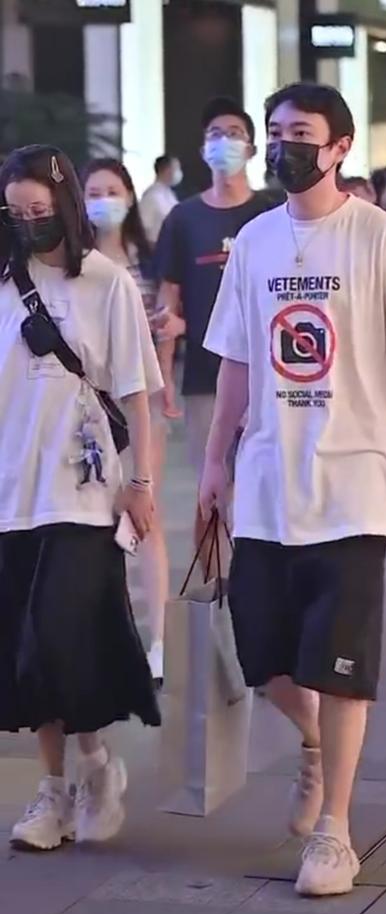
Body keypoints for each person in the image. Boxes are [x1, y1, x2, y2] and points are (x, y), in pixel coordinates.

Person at [199, 82, 386, 897]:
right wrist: (214, 463)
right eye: (275, 132)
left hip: (354, 485)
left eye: (301, 133)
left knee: (344, 667)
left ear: (340, 146)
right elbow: (237, 360)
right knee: (264, 659)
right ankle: (314, 744)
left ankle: (335, 831)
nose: (284, 145)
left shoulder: (381, 239)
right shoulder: (254, 241)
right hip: (267, 485)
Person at [0, 144, 161, 852]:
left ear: (62, 205)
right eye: (13, 212)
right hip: (12, 493)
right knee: (27, 650)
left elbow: (137, 395)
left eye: (37, 210)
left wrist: (142, 483)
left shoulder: (107, 283)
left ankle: (87, 767)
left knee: (59, 635)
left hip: (84, 493)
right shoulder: (3, 283)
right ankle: (61, 785)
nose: (26, 223)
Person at [155, 97, 274, 564]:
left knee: (263, 490)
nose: (224, 142)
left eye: (234, 134)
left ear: (252, 148)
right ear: (203, 149)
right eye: (214, 135)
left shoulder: (271, 211)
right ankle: (214, 591)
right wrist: (165, 375)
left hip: (270, 376)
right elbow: (168, 299)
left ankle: (259, 587)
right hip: (206, 376)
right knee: (212, 489)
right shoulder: (182, 219)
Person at [83, 157, 175, 684]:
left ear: (130, 196)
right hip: (84, 411)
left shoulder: (149, 258)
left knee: (145, 515)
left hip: (138, 405)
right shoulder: (70, 262)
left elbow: (169, 321)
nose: (104, 201)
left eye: (112, 191)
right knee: (94, 525)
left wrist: (165, 332)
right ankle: (108, 639)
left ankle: (159, 640)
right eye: (93, 192)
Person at [139, 154, 182, 246]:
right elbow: (143, 227)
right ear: (166, 170)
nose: (179, 173)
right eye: (176, 168)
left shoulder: (169, 194)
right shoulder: (151, 196)